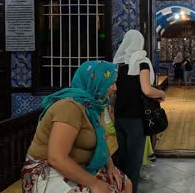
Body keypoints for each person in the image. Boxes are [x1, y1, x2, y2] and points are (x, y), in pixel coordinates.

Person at [21, 60, 132, 193]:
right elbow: (56, 158)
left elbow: (100, 140)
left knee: (125, 184)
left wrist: (110, 166)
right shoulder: (69, 107)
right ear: (95, 82)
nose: (115, 88)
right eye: (110, 83)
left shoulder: (94, 106)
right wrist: (94, 184)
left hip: (80, 165)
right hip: (46, 170)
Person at [112, 30, 165, 193]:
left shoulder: (118, 64)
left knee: (121, 160)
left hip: (119, 118)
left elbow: (113, 92)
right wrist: (162, 94)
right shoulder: (141, 62)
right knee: (133, 164)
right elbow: (147, 90)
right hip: (136, 119)